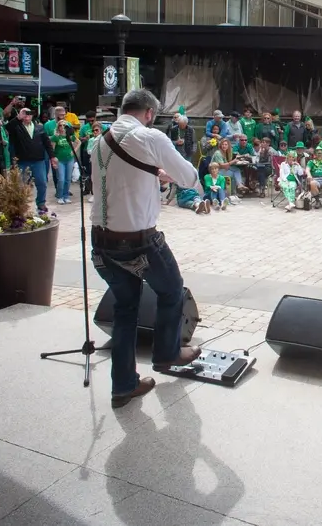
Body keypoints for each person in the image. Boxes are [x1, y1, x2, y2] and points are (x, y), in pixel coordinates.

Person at [90, 89, 203, 408]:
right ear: (150, 113)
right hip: (137, 241)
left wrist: (154, 174)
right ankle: (167, 354)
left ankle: (123, 386)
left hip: (101, 242)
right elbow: (188, 177)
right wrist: (173, 175)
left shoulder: (99, 142)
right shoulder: (149, 136)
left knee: (125, 310)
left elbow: (120, 179)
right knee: (172, 290)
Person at [5, 107, 56, 214]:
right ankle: (21, 205)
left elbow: (47, 143)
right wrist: (18, 117)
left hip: (38, 161)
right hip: (23, 161)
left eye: (29, 113)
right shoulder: (17, 127)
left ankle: (41, 203)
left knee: (42, 183)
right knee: (21, 184)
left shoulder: (39, 127)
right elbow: (8, 127)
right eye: (24, 113)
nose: (27, 115)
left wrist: (52, 157)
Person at [51, 120, 77, 205]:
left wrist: (74, 151)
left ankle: (66, 196)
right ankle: (60, 196)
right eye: (60, 125)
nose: (62, 127)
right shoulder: (56, 137)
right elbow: (52, 149)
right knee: (61, 179)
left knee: (68, 179)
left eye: (64, 125)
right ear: (58, 127)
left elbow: (78, 142)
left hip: (69, 159)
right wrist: (53, 160)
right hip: (60, 160)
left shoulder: (70, 136)